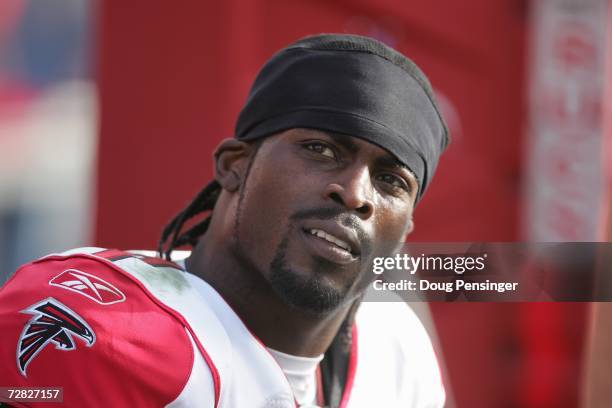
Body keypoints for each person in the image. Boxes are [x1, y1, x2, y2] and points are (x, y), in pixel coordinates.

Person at [0, 34, 449, 407]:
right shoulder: (108, 328)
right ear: (235, 165)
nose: (354, 193)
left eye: (390, 180)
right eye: (321, 150)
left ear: (405, 229)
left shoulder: (395, 352)